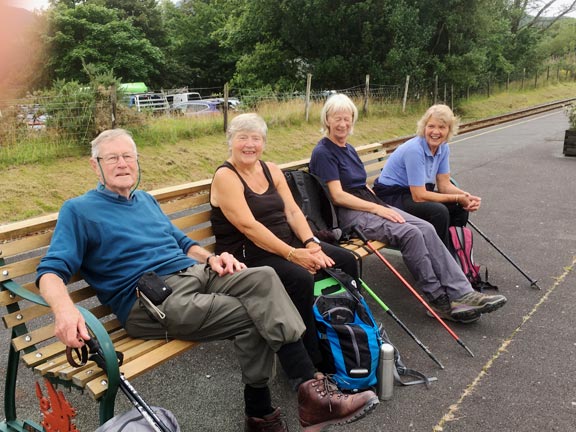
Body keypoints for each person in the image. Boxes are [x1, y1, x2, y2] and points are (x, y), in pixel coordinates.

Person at [35, 129, 379, 432]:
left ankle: (298, 396)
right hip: (151, 299)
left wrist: (213, 258)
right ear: (95, 165)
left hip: (193, 274)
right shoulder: (78, 210)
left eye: (128, 156)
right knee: (255, 313)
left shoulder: (145, 200)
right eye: (112, 158)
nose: (122, 164)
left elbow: (183, 244)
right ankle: (283, 403)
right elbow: (51, 270)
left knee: (263, 278)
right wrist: (64, 311)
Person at [309, 94, 506, 324]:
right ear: (327, 120)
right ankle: (438, 301)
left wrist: (381, 205)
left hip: (369, 204)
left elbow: (360, 184)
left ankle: (463, 292)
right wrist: (378, 209)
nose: (343, 124)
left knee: (426, 227)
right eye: (337, 119)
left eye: (347, 118)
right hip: (347, 214)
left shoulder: (348, 149)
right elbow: (338, 195)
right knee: (410, 233)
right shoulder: (324, 152)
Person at [210, 113, 359, 368]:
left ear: (264, 143)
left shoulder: (271, 170)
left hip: (284, 244)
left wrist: (311, 243)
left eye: (255, 138)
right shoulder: (226, 177)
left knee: (345, 260)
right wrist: (294, 254)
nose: (249, 144)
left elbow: (292, 212)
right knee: (300, 277)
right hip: (247, 252)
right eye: (242, 138)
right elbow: (249, 226)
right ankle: (313, 362)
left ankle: (344, 336)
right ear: (230, 141)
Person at [373, 104, 480, 247]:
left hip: (413, 193)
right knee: (438, 211)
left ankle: (454, 254)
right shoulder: (414, 150)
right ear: (424, 127)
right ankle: (438, 259)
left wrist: (465, 196)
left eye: (442, 127)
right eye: (431, 126)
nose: (435, 132)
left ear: (449, 130)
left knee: (459, 209)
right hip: (392, 196)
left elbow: (444, 185)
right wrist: (457, 197)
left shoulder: (443, 147)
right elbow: (419, 195)